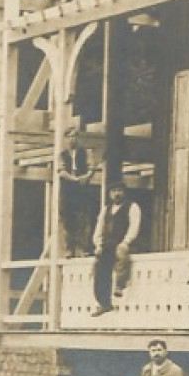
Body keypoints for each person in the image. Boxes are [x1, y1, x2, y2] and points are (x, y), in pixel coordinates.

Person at [91, 182, 140, 316]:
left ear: (124, 192)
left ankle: (119, 285)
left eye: (119, 191)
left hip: (125, 243)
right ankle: (104, 303)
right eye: (113, 191)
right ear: (109, 194)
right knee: (99, 267)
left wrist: (126, 241)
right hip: (108, 244)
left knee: (121, 253)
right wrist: (98, 244)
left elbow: (134, 227)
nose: (116, 194)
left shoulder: (132, 207)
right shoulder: (106, 209)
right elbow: (99, 229)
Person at [56, 129, 96, 257]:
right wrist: (73, 179)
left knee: (83, 216)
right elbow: (61, 171)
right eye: (69, 136)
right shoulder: (61, 154)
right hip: (68, 189)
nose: (72, 139)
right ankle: (69, 248)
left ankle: (83, 247)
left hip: (82, 188)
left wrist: (85, 177)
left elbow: (91, 168)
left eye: (74, 136)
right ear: (65, 139)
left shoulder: (85, 153)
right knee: (67, 218)